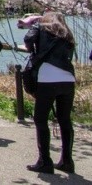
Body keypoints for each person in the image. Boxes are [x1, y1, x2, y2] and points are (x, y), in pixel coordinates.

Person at [23, 11, 76, 174]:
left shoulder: (40, 26)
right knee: (65, 120)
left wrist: (34, 50)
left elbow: (27, 39)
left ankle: (45, 161)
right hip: (68, 79)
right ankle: (67, 161)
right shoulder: (67, 33)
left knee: (40, 119)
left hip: (47, 78)